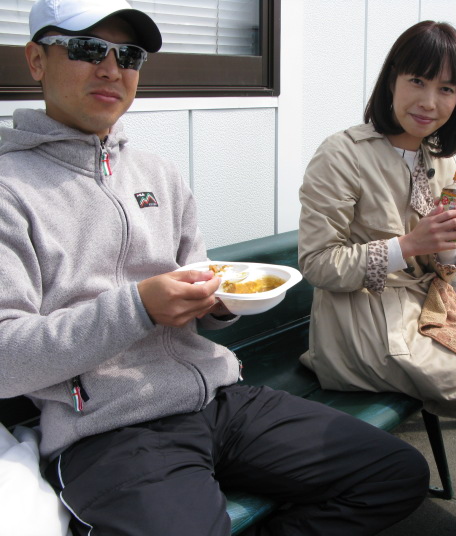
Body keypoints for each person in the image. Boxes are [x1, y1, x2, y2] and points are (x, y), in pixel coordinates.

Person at [0, 1, 430, 534]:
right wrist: (138, 307)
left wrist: (218, 304)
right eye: (88, 49)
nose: (111, 69)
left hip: (216, 397)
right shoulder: (10, 190)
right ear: (36, 60)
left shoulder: (158, 174)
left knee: (394, 472)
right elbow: (6, 359)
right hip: (108, 431)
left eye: (128, 55)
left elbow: (198, 292)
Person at [298, 20, 456, 422]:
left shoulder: (442, 160)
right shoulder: (342, 155)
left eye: (446, 89)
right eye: (417, 81)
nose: (429, 102)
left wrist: (451, 239)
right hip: (361, 322)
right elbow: (318, 264)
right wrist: (409, 244)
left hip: (429, 308)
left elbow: (442, 266)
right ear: (392, 80)